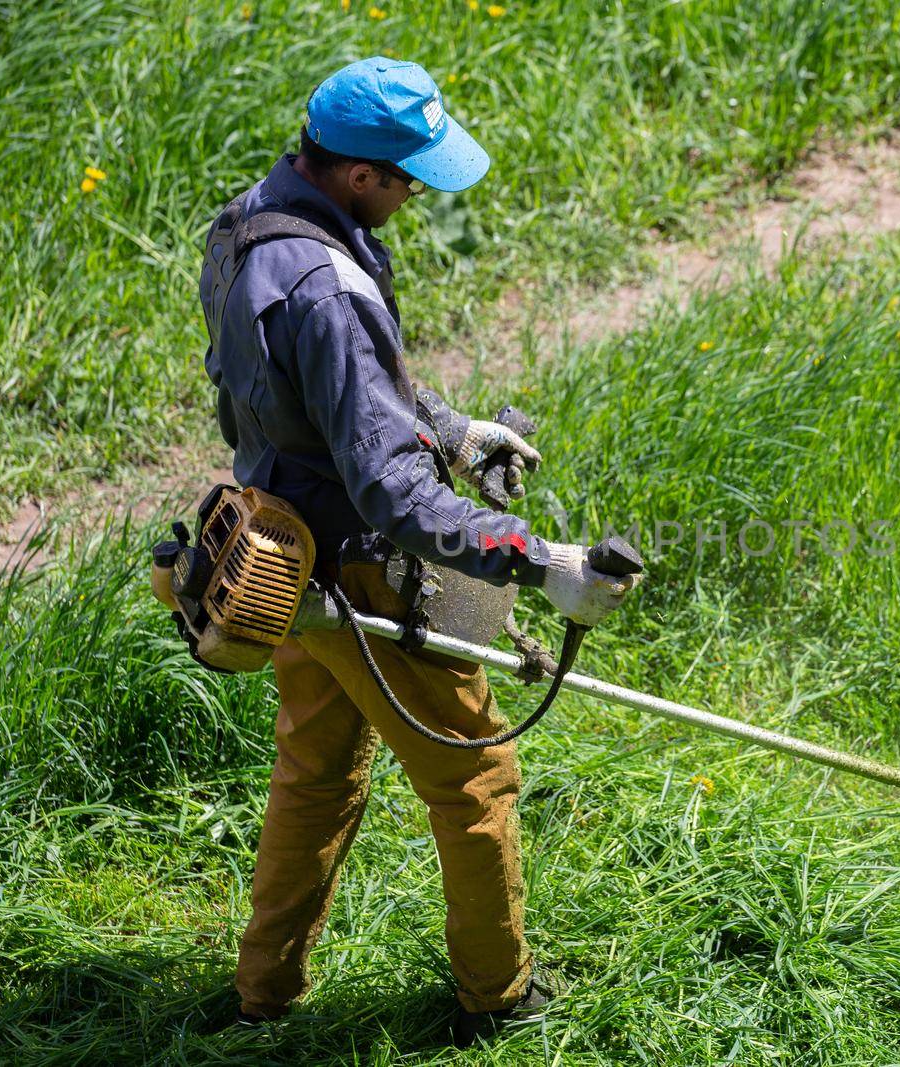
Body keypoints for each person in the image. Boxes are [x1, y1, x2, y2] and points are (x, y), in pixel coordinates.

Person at [197, 56, 639, 1045]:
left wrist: (454, 430)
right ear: (361, 173)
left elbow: (338, 390)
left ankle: (263, 990)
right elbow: (393, 493)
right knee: (474, 780)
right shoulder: (323, 283)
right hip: (354, 567)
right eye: (408, 178)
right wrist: (542, 560)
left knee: (313, 771)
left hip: (278, 548)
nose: (416, 195)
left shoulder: (251, 222)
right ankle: (501, 994)